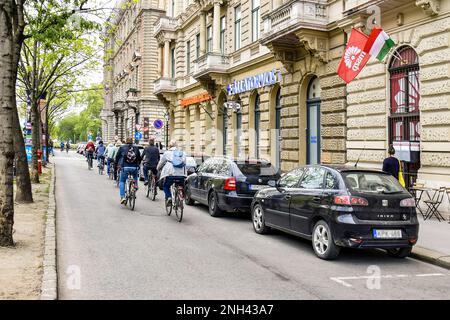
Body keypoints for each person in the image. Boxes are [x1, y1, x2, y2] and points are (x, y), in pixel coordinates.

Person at [157, 139, 186, 205]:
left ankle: (169, 197)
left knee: (166, 186)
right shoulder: (182, 153)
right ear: (176, 146)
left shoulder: (167, 153)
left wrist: (158, 168)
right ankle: (181, 195)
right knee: (181, 185)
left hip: (171, 174)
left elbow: (161, 163)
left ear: (169, 146)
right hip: (181, 174)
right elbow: (185, 163)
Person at [115, 137, 142, 204]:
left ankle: (123, 197)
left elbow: (117, 157)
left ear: (126, 141)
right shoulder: (136, 148)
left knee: (122, 181)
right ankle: (135, 186)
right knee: (135, 177)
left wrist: (116, 165)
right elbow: (139, 158)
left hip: (125, 167)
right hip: (134, 168)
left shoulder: (122, 147)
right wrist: (138, 165)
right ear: (132, 141)